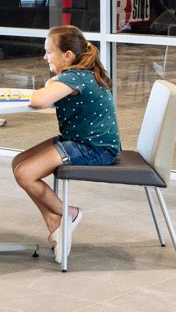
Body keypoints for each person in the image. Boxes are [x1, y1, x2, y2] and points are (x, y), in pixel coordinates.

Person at [10, 25, 121, 250]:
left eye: (49, 52)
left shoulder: (76, 77)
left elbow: (38, 100)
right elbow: (47, 92)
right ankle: (54, 222)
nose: (45, 56)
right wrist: (53, 81)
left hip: (93, 148)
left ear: (67, 56)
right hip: (80, 141)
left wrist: (51, 83)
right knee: (18, 162)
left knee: (25, 173)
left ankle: (69, 213)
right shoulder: (79, 74)